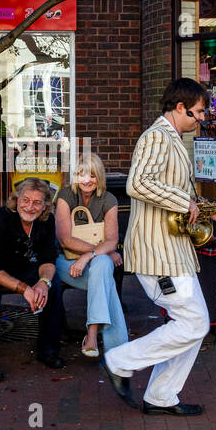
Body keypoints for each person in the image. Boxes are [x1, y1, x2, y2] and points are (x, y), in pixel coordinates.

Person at [100, 78, 216, 416]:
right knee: (194, 324)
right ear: (179, 107)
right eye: (198, 112)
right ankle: (118, 361)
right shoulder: (157, 135)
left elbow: (176, 194)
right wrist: (187, 204)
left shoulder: (171, 138)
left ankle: (161, 395)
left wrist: (213, 211)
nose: (201, 118)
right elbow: (138, 183)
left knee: (193, 325)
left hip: (171, 250)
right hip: (159, 252)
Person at [0, 177, 65, 382]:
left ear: (45, 206)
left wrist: (44, 283)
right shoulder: (0, 218)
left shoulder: (47, 221)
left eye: (37, 202)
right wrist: (24, 288)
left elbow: (48, 259)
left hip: (16, 266)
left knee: (54, 285)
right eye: (25, 200)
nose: (30, 207)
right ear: (16, 200)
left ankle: (48, 350)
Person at [54, 152, 127, 359]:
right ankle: (117, 348)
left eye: (92, 175)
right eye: (82, 174)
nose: (87, 180)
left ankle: (92, 335)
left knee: (102, 266)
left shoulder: (108, 199)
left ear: (100, 177)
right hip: (66, 263)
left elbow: (112, 240)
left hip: (89, 265)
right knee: (105, 271)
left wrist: (88, 256)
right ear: (76, 176)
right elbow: (65, 240)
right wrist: (104, 250)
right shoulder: (65, 196)